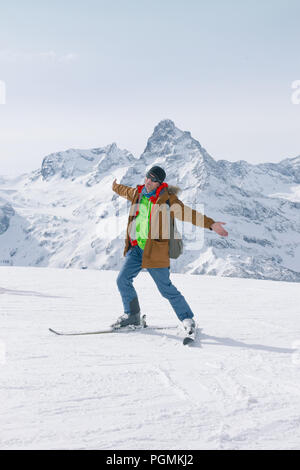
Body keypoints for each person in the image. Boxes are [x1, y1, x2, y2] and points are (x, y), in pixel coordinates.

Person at [111, 166, 228, 335]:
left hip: (155, 252)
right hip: (136, 249)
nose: (148, 182)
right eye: (147, 177)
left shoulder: (167, 200)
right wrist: (115, 186)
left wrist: (211, 224)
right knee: (122, 280)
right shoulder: (138, 193)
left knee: (166, 288)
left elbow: (188, 214)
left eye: (153, 179)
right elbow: (125, 190)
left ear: (159, 183)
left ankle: (187, 319)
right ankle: (132, 316)